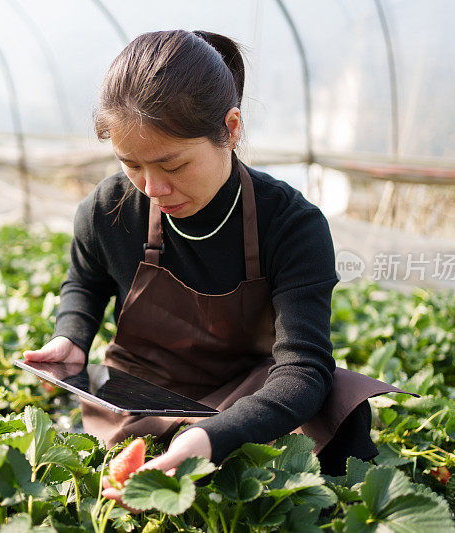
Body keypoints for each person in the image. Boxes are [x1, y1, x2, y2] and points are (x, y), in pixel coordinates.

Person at [23, 30, 410, 505]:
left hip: (247, 394)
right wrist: (72, 336)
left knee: (338, 400)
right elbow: (85, 279)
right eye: (131, 165)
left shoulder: (291, 224)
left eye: (173, 165)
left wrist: (211, 438)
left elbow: (302, 370)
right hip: (143, 395)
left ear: (231, 128)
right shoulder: (107, 209)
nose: (152, 187)